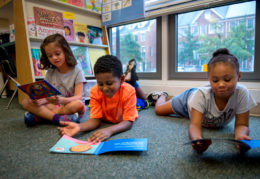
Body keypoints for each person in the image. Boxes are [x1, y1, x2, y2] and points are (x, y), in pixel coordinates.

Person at [153, 48, 257, 153]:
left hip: (199, 103)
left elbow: (241, 125)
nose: (221, 85)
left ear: (238, 76)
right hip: (188, 100)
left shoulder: (242, 93)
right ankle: (162, 95)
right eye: (215, 80)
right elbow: (194, 125)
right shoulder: (201, 95)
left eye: (227, 79)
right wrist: (196, 139)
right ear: (209, 78)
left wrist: (241, 136)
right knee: (159, 110)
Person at [58, 55, 138, 142]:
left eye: (109, 83)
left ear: (122, 79)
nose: (105, 88)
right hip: (109, 114)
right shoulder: (94, 91)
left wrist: (109, 130)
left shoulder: (129, 92)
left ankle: (134, 82)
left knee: (142, 102)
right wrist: (79, 127)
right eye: (100, 84)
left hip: (129, 104)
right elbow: (95, 120)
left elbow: (128, 122)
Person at [22, 33, 87, 126]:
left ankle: (41, 116)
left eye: (57, 53)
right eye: (50, 56)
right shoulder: (50, 72)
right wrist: (41, 100)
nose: (54, 58)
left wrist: (62, 100)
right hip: (56, 106)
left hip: (69, 105)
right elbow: (46, 96)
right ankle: (59, 119)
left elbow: (78, 97)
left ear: (65, 51)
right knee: (25, 102)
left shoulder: (77, 70)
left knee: (77, 104)